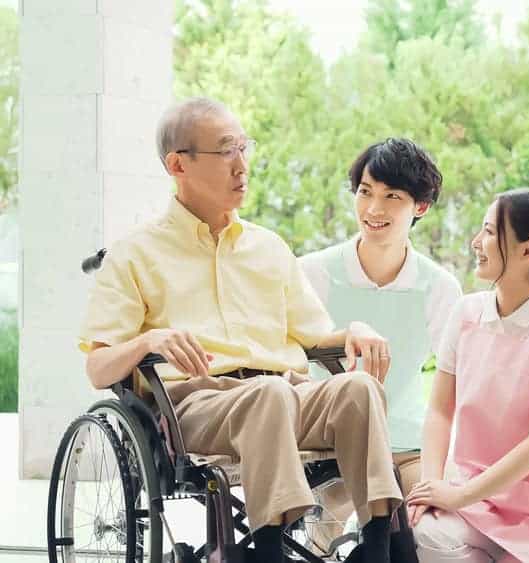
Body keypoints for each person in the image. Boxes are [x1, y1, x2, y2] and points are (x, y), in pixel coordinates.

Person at [78, 97, 412, 563]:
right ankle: (268, 550)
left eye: (243, 147)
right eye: (225, 151)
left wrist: (354, 328)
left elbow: (316, 337)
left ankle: (380, 545)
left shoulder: (268, 247)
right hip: (198, 406)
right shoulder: (134, 254)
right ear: (179, 164)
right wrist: (148, 340)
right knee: (267, 397)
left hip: (286, 395)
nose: (242, 164)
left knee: (358, 389)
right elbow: (98, 366)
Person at [408, 189, 529, 562]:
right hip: (472, 505)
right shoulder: (465, 314)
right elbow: (439, 412)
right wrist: (432, 490)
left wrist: (458, 495)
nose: (476, 243)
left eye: (489, 232)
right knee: (425, 537)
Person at [299, 138, 462, 550]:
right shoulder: (314, 273)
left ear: (420, 207)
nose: (374, 209)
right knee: (320, 540)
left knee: (432, 534)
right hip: (329, 447)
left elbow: (459, 377)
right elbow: (291, 360)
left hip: (407, 444)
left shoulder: (439, 287)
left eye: (392, 196)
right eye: (365, 192)